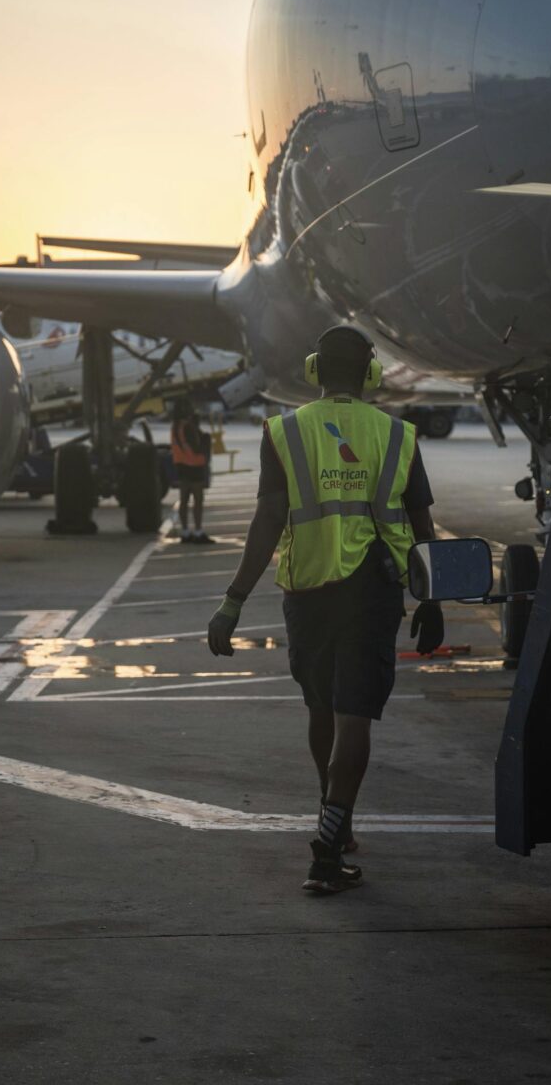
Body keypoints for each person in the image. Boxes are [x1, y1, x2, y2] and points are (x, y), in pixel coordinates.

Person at [207, 326, 444, 894]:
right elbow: (423, 528)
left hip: (307, 590)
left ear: (314, 369)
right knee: (352, 715)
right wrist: (432, 601)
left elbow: (267, 519)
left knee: (320, 707)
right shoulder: (398, 435)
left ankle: (334, 817)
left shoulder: (284, 431)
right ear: (370, 374)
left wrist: (232, 601)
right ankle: (328, 850)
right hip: (373, 589)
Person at [170, 399, 213, 544]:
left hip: (181, 467)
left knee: (184, 500)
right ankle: (198, 531)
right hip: (194, 466)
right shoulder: (188, 427)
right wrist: (206, 440)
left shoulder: (176, 427)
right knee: (198, 500)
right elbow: (196, 447)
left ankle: (185, 531)